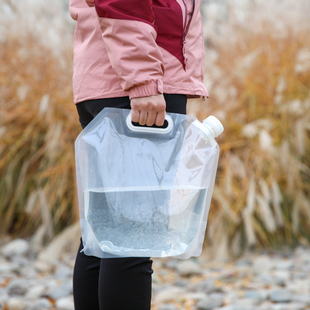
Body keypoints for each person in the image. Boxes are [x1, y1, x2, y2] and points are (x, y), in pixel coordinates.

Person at [69, 0, 208, 309]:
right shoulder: (142, 83)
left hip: (112, 79)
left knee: (103, 232)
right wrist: (144, 82)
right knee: (134, 232)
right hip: (134, 84)